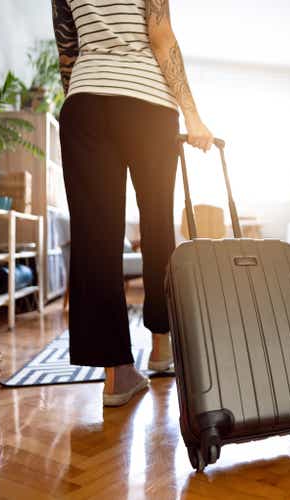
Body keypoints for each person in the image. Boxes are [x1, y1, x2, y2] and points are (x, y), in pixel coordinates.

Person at [52, 0, 212, 406]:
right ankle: (161, 348)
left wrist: (86, 97)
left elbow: (67, 50)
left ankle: (116, 375)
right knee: (157, 225)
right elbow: (160, 36)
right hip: (148, 103)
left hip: (85, 102)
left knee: (95, 235)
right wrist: (193, 115)